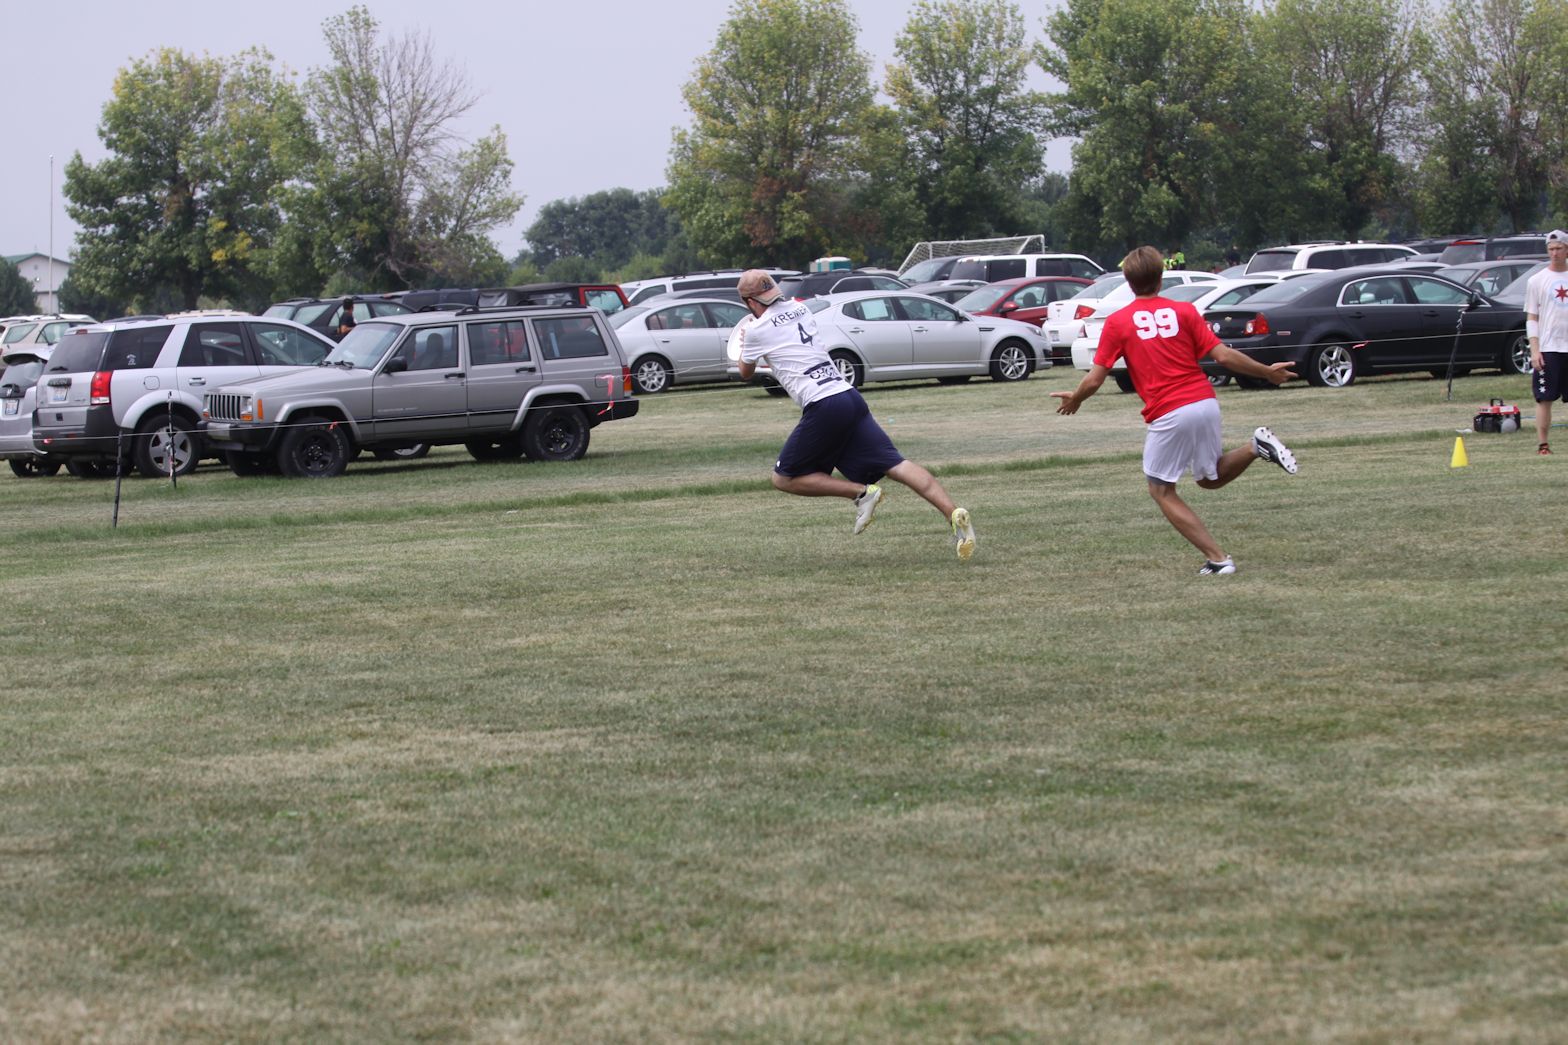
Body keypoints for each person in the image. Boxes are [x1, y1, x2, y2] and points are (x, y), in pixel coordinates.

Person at [1050, 246, 1299, 576]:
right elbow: (1224, 357)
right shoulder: (1185, 311)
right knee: (1209, 478)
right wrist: (1266, 372)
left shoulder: (1118, 322)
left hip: (1171, 411)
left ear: (1127, 281)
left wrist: (1076, 398)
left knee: (1161, 490)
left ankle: (1219, 559)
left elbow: (1095, 379)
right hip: (1205, 402)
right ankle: (1255, 446)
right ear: (1161, 277)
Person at [733, 269, 976, 560]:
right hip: (848, 395)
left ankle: (861, 493)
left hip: (823, 404)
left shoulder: (756, 330)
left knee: (783, 479)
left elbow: (745, 371)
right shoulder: (801, 309)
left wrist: (745, 341)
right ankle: (954, 514)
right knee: (896, 464)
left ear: (750, 302)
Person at [1523, 229, 1568, 454]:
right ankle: (1543, 444)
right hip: (1549, 348)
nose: (1555, 253)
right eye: (1551, 249)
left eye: (1559, 248)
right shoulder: (1536, 281)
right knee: (1544, 398)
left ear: (1566, 249)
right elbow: (1532, 318)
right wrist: (1535, 350)